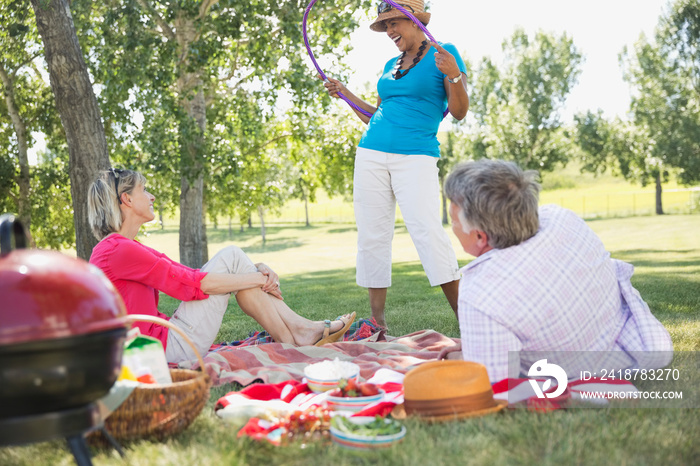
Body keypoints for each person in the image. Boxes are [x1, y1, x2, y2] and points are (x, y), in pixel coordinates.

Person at [87, 168, 355, 363]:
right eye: (143, 190)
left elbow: (187, 275)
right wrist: (259, 278)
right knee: (232, 256)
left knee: (236, 262)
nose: (152, 196)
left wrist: (255, 270)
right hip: (165, 348)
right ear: (127, 200)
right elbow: (193, 285)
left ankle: (298, 337)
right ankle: (302, 332)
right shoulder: (118, 250)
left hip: (160, 342)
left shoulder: (122, 248)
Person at [439, 159, 673, 382]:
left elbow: (493, 384)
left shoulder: (481, 293)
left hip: (572, 372)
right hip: (631, 345)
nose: (452, 229)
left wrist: (458, 357)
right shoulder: (564, 219)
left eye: (454, 222)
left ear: (480, 236)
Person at [322, 0, 469, 328]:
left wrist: (455, 75)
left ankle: (467, 319)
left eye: (394, 23)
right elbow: (376, 117)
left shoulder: (444, 54)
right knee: (372, 235)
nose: (389, 31)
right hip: (370, 153)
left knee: (428, 231)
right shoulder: (391, 64)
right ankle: (377, 323)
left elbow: (459, 112)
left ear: (415, 21)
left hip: (415, 155)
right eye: (384, 25)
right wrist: (345, 94)